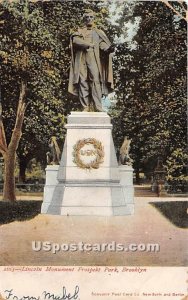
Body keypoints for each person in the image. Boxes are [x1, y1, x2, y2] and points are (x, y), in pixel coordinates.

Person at [68, 9, 114, 112]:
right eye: (87, 17)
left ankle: (98, 106)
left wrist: (107, 48)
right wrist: (88, 44)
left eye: (91, 17)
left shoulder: (98, 32)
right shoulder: (79, 31)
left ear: (94, 19)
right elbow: (75, 41)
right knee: (82, 81)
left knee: (95, 81)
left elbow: (102, 44)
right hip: (81, 58)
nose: (89, 19)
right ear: (84, 19)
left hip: (93, 57)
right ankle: (85, 106)